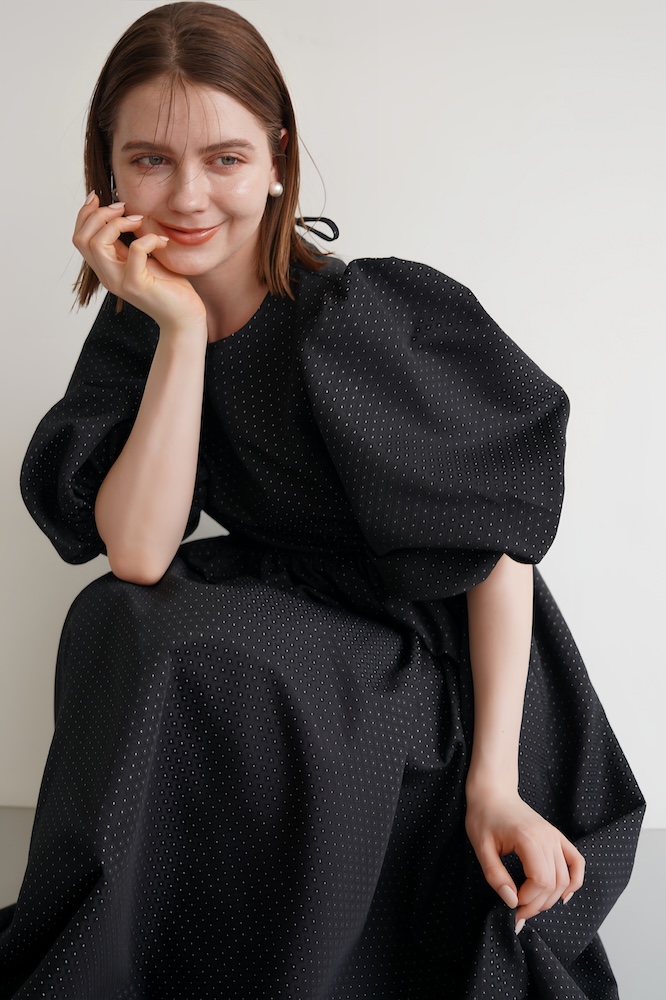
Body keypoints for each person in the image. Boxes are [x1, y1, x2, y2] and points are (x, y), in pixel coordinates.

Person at [0, 2, 644, 997]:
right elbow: (137, 552)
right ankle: (131, 951)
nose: (187, 196)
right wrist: (178, 331)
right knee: (118, 618)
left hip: (429, 642)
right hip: (293, 600)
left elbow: (496, 550)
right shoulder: (143, 325)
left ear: (277, 158)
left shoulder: (354, 315)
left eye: (224, 158)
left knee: (198, 647)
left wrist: (495, 781)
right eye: (149, 160)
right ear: (107, 171)